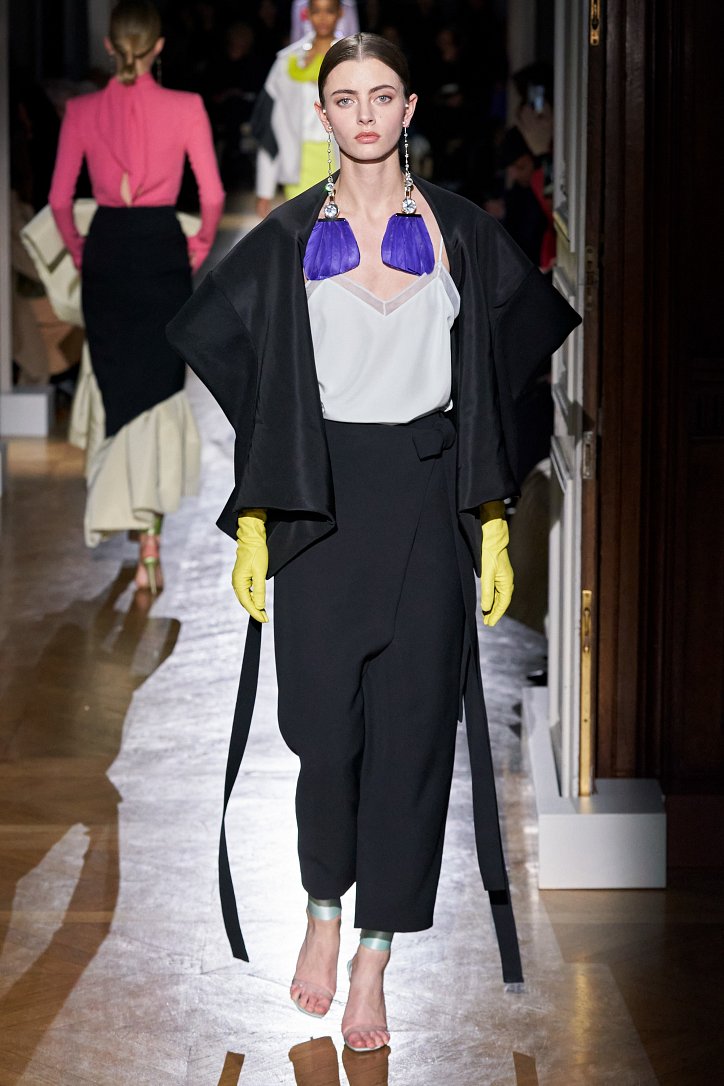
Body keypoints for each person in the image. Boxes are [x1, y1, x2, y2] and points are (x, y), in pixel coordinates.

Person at [167, 33, 580, 1053]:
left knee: (412, 738)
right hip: (321, 506)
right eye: (345, 98)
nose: (363, 114)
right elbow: (244, 370)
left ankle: (370, 955)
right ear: (324, 115)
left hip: (428, 500)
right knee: (321, 731)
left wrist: (492, 521)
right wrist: (255, 517)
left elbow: (502, 378)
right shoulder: (285, 238)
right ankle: (322, 905)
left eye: (381, 96)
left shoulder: (459, 231)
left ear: (407, 111)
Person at [48, 0, 224, 591]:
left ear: (109, 46)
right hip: (160, 251)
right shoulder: (187, 106)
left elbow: (58, 200)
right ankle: (151, 538)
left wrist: (81, 253)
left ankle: (126, 511)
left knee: (116, 385)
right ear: (159, 46)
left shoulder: (81, 111)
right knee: (159, 392)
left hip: (107, 251)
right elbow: (212, 196)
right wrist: (197, 246)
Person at [252, 0, 343, 219]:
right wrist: (264, 189)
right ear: (307, 14)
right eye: (316, 11)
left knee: (337, 226)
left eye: (329, 11)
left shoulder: (353, 58)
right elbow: (271, 124)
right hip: (297, 160)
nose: (322, 18)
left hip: (342, 159)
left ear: (339, 13)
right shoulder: (287, 61)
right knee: (304, 228)